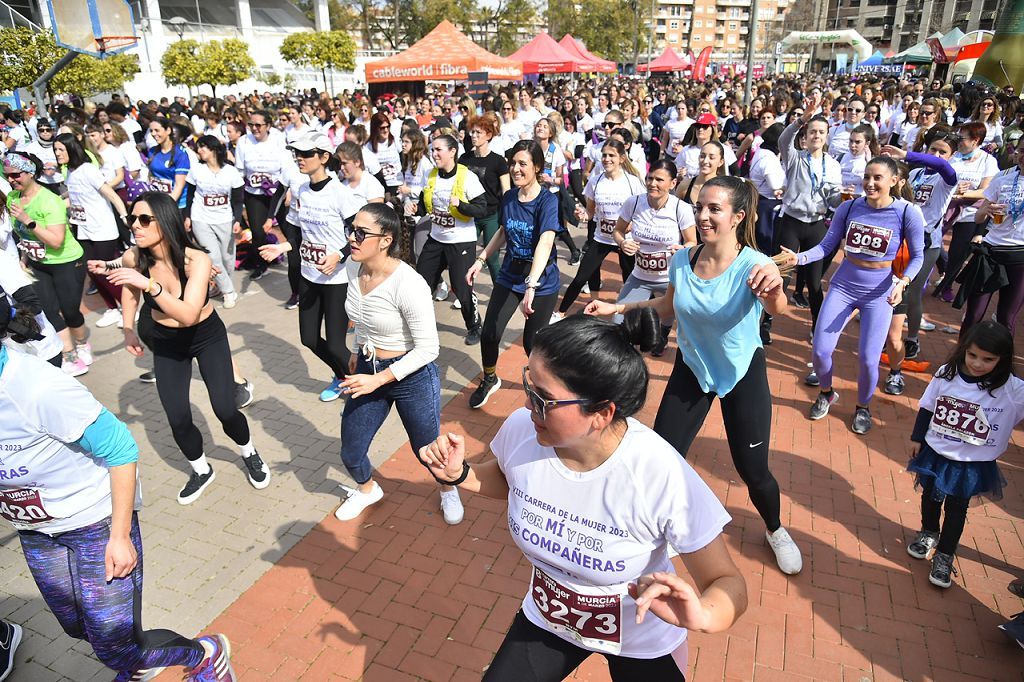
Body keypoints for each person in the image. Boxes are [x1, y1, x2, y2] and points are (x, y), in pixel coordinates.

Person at [417, 313, 747, 681]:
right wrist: (461, 474)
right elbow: (509, 478)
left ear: (601, 414)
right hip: (549, 619)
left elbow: (727, 582)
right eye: (529, 385)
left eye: (543, 399)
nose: (528, 407)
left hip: (639, 637)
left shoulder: (660, 475)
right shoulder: (522, 430)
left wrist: (702, 614)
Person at [0, 297, 236, 682]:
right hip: (37, 531)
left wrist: (120, 535)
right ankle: (139, 659)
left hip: (94, 522)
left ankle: (204, 654)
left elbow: (121, 449)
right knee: (79, 627)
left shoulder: (37, 388)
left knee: (115, 644)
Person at [586, 175, 803, 575]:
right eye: (700, 206)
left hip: (741, 373)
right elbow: (668, 307)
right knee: (665, 456)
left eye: (714, 209)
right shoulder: (682, 259)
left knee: (753, 470)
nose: (703, 215)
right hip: (693, 368)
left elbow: (778, 310)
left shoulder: (754, 265)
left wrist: (774, 292)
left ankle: (774, 529)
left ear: (738, 216)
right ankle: (661, 532)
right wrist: (616, 309)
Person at [101, 192, 269, 504]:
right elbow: (129, 295)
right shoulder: (134, 258)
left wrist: (148, 285)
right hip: (167, 343)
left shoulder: (196, 260)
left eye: (144, 219)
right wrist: (127, 330)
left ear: (165, 222)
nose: (135, 226)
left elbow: (189, 314)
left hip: (206, 336)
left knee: (224, 408)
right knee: (177, 416)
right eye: (131, 219)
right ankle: (201, 469)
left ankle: (249, 451)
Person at [332, 204, 464, 524]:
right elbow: (362, 317)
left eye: (361, 233)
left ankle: (448, 489)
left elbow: (428, 349)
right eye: (352, 228)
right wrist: (356, 350)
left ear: (385, 240)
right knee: (351, 449)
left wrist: (379, 380)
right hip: (368, 368)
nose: (353, 237)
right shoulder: (354, 267)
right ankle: (367, 490)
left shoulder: (409, 283)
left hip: (412, 376)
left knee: (427, 451)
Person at [779, 156, 925, 434]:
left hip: (880, 292)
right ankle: (826, 392)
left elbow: (917, 256)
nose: (869, 183)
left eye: (877, 178)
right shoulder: (849, 207)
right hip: (844, 286)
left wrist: (902, 281)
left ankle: (863, 407)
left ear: (894, 181)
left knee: (869, 359)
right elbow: (825, 247)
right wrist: (799, 258)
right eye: (867, 177)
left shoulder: (907, 213)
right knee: (821, 350)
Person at [905, 321, 1021, 589]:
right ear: (964, 350)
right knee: (930, 497)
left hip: (971, 463)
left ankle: (945, 555)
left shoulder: (1012, 389)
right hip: (937, 452)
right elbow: (927, 405)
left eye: (988, 359)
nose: (978, 364)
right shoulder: (947, 373)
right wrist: (917, 437)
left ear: (1002, 359)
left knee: (957, 508)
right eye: (972, 355)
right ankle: (928, 532)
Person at [259, 132, 361, 401]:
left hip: (336, 280)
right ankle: (342, 376)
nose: (299, 159)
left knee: (338, 345)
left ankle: (361, 381)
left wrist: (339, 255)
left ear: (324, 157)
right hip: (308, 275)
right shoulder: (302, 190)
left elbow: (360, 235)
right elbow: (301, 235)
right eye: (297, 154)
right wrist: (283, 247)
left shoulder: (340, 194)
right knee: (309, 339)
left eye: (306, 154)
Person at [466, 140, 561, 409]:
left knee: (532, 345)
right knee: (490, 333)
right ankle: (490, 378)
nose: (516, 169)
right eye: (513, 163)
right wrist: (481, 259)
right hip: (510, 274)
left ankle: (549, 392)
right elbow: (503, 231)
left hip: (541, 281)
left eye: (523, 164)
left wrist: (531, 285)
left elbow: (545, 241)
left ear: (537, 167)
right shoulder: (509, 197)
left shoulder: (548, 201)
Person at [5, 152, 93, 376]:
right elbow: (22, 235)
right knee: (48, 309)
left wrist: (28, 220)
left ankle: (82, 342)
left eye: (16, 175)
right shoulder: (12, 198)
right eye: (8, 176)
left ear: (31, 173)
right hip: (39, 263)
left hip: (67, 261)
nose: (12, 180)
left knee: (71, 311)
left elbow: (56, 241)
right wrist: (25, 257)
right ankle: (70, 354)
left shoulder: (49, 200)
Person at [879, 135, 958, 368]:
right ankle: (891, 336)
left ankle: (912, 338)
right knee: (892, 287)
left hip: (927, 243)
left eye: (943, 152)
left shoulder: (948, 179)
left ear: (951, 156)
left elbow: (942, 166)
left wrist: (905, 155)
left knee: (912, 290)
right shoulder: (915, 174)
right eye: (933, 149)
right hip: (901, 241)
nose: (936, 155)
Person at [607, 163, 697, 355]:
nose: (652, 183)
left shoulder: (680, 208)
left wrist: (682, 250)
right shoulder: (634, 202)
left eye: (659, 180)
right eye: (649, 178)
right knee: (618, 318)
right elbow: (617, 231)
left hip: (670, 280)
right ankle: (622, 359)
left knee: (665, 318)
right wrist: (623, 243)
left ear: (672, 183)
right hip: (640, 277)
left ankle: (663, 334)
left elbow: (692, 242)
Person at [772, 98, 842, 337]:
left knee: (814, 283)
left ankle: (816, 326)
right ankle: (764, 324)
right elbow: (783, 139)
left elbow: (834, 202)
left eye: (821, 132)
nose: (817, 136)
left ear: (826, 136)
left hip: (816, 224)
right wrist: (803, 118)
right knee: (780, 275)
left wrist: (836, 195)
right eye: (812, 131)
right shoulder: (795, 158)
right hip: (791, 221)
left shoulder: (833, 165)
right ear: (805, 135)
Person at [556, 140, 646, 314]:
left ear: (621, 158)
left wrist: (633, 224)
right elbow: (590, 212)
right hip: (602, 238)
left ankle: (629, 313)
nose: (606, 159)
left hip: (625, 241)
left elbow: (643, 211)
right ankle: (561, 313)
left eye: (611, 155)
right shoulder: (595, 181)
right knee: (581, 277)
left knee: (630, 279)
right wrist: (583, 215)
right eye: (604, 155)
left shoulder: (633, 182)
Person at [414, 134, 487, 345]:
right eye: (432, 150)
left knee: (461, 289)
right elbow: (424, 203)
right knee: (420, 285)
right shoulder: (429, 175)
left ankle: (474, 326)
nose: (434, 154)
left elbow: (482, 209)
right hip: (436, 238)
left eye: (438, 150)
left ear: (452, 151)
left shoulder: (467, 177)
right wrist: (415, 209)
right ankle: (418, 329)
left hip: (461, 241)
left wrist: (461, 205)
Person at [55, 133, 129, 330]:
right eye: (56, 150)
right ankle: (112, 308)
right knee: (92, 271)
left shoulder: (88, 170)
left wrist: (124, 216)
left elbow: (110, 194)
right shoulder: (70, 172)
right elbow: (74, 199)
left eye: (61, 149)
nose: (57, 153)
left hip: (103, 229)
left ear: (71, 149)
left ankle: (129, 306)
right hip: (84, 229)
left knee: (104, 270)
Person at [964, 135, 1024, 337]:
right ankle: (956, 363)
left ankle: (1003, 367)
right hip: (990, 252)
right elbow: (979, 218)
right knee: (974, 315)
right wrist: (986, 210)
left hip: (1020, 256)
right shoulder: (1003, 179)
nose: (1023, 155)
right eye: (1022, 150)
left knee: (1006, 318)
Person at [934, 122, 1000, 301]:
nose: (958, 141)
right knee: (932, 243)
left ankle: (946, 285)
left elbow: (986, 190)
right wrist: (953, 193)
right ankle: (941, 271)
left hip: (970, 212)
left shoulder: (988, 161)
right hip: (944, 209)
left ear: (975, 140)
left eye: (961, 138)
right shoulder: (953, 156)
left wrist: (961, 194)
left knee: (958, 252)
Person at [183, 135, 245, 308]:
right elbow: (190, 194)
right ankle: (228, 291)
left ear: (215, 149)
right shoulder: (196, 169)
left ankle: (220, 285)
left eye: (203, 147)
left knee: (227, 258)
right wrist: (187, 216)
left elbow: (238, 199)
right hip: (200, 217)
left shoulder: (231, 172)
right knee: (212, 256)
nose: (199, 150)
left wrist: (238, 220)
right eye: (198, 147)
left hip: (225, 218)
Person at [234, 110, 289, 280]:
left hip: (277, 192)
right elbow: (240, 170)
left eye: (259, 125)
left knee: (288, 228)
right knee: (258, 232)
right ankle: (261, 264)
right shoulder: (243, 142)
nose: (255, 129)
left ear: (268, 126)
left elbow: (286, 167)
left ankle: (296, 259)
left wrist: (289, 191)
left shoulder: (278, 138)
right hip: (254, 192)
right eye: (251, 125)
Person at [460, 112, 510, 283]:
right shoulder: (464, 159)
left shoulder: (498, 161)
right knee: (464, 255)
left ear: (488, 135)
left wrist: (506, 215)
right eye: (472, 132)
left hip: (491, 215)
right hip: (469, 215)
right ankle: (465, 293)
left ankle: (499, 292)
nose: (473, 136)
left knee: (492, 258)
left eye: (478, 133)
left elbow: (506, 191)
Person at [146, 117, 190, 210]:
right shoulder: (152, 151)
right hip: (158, 201)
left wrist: (168, 206)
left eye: (157, 130)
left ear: (168, 130)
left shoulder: (180, 154)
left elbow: (179, 185)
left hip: (176, 204)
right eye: (151, 131)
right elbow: (151, 176)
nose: (153, 134)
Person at [336, 141, 386, 206]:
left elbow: (376, 213)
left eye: (344, 163)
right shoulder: (340, 183)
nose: (341, 167)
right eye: (339, 163)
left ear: (357, 162)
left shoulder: (371, 184)